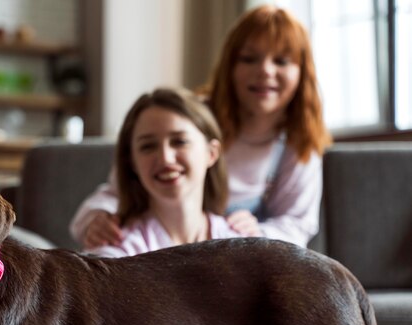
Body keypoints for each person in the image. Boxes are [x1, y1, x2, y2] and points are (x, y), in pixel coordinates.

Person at [71, 4, 331, 249]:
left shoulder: (299, 142)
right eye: (249, 59)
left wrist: (259, 235)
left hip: (239, 256)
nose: (264, 71)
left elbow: (297, 223)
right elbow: (124, 187)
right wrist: (98, 218)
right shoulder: (188, 117)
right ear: (230, 66)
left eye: (281, 61)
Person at [86, 87, 242, 258]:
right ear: (132, 162)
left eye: (179, 141)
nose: (166, 159)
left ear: (211, 153)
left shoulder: (241, 242)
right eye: (148, 146)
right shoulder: (115, 253)